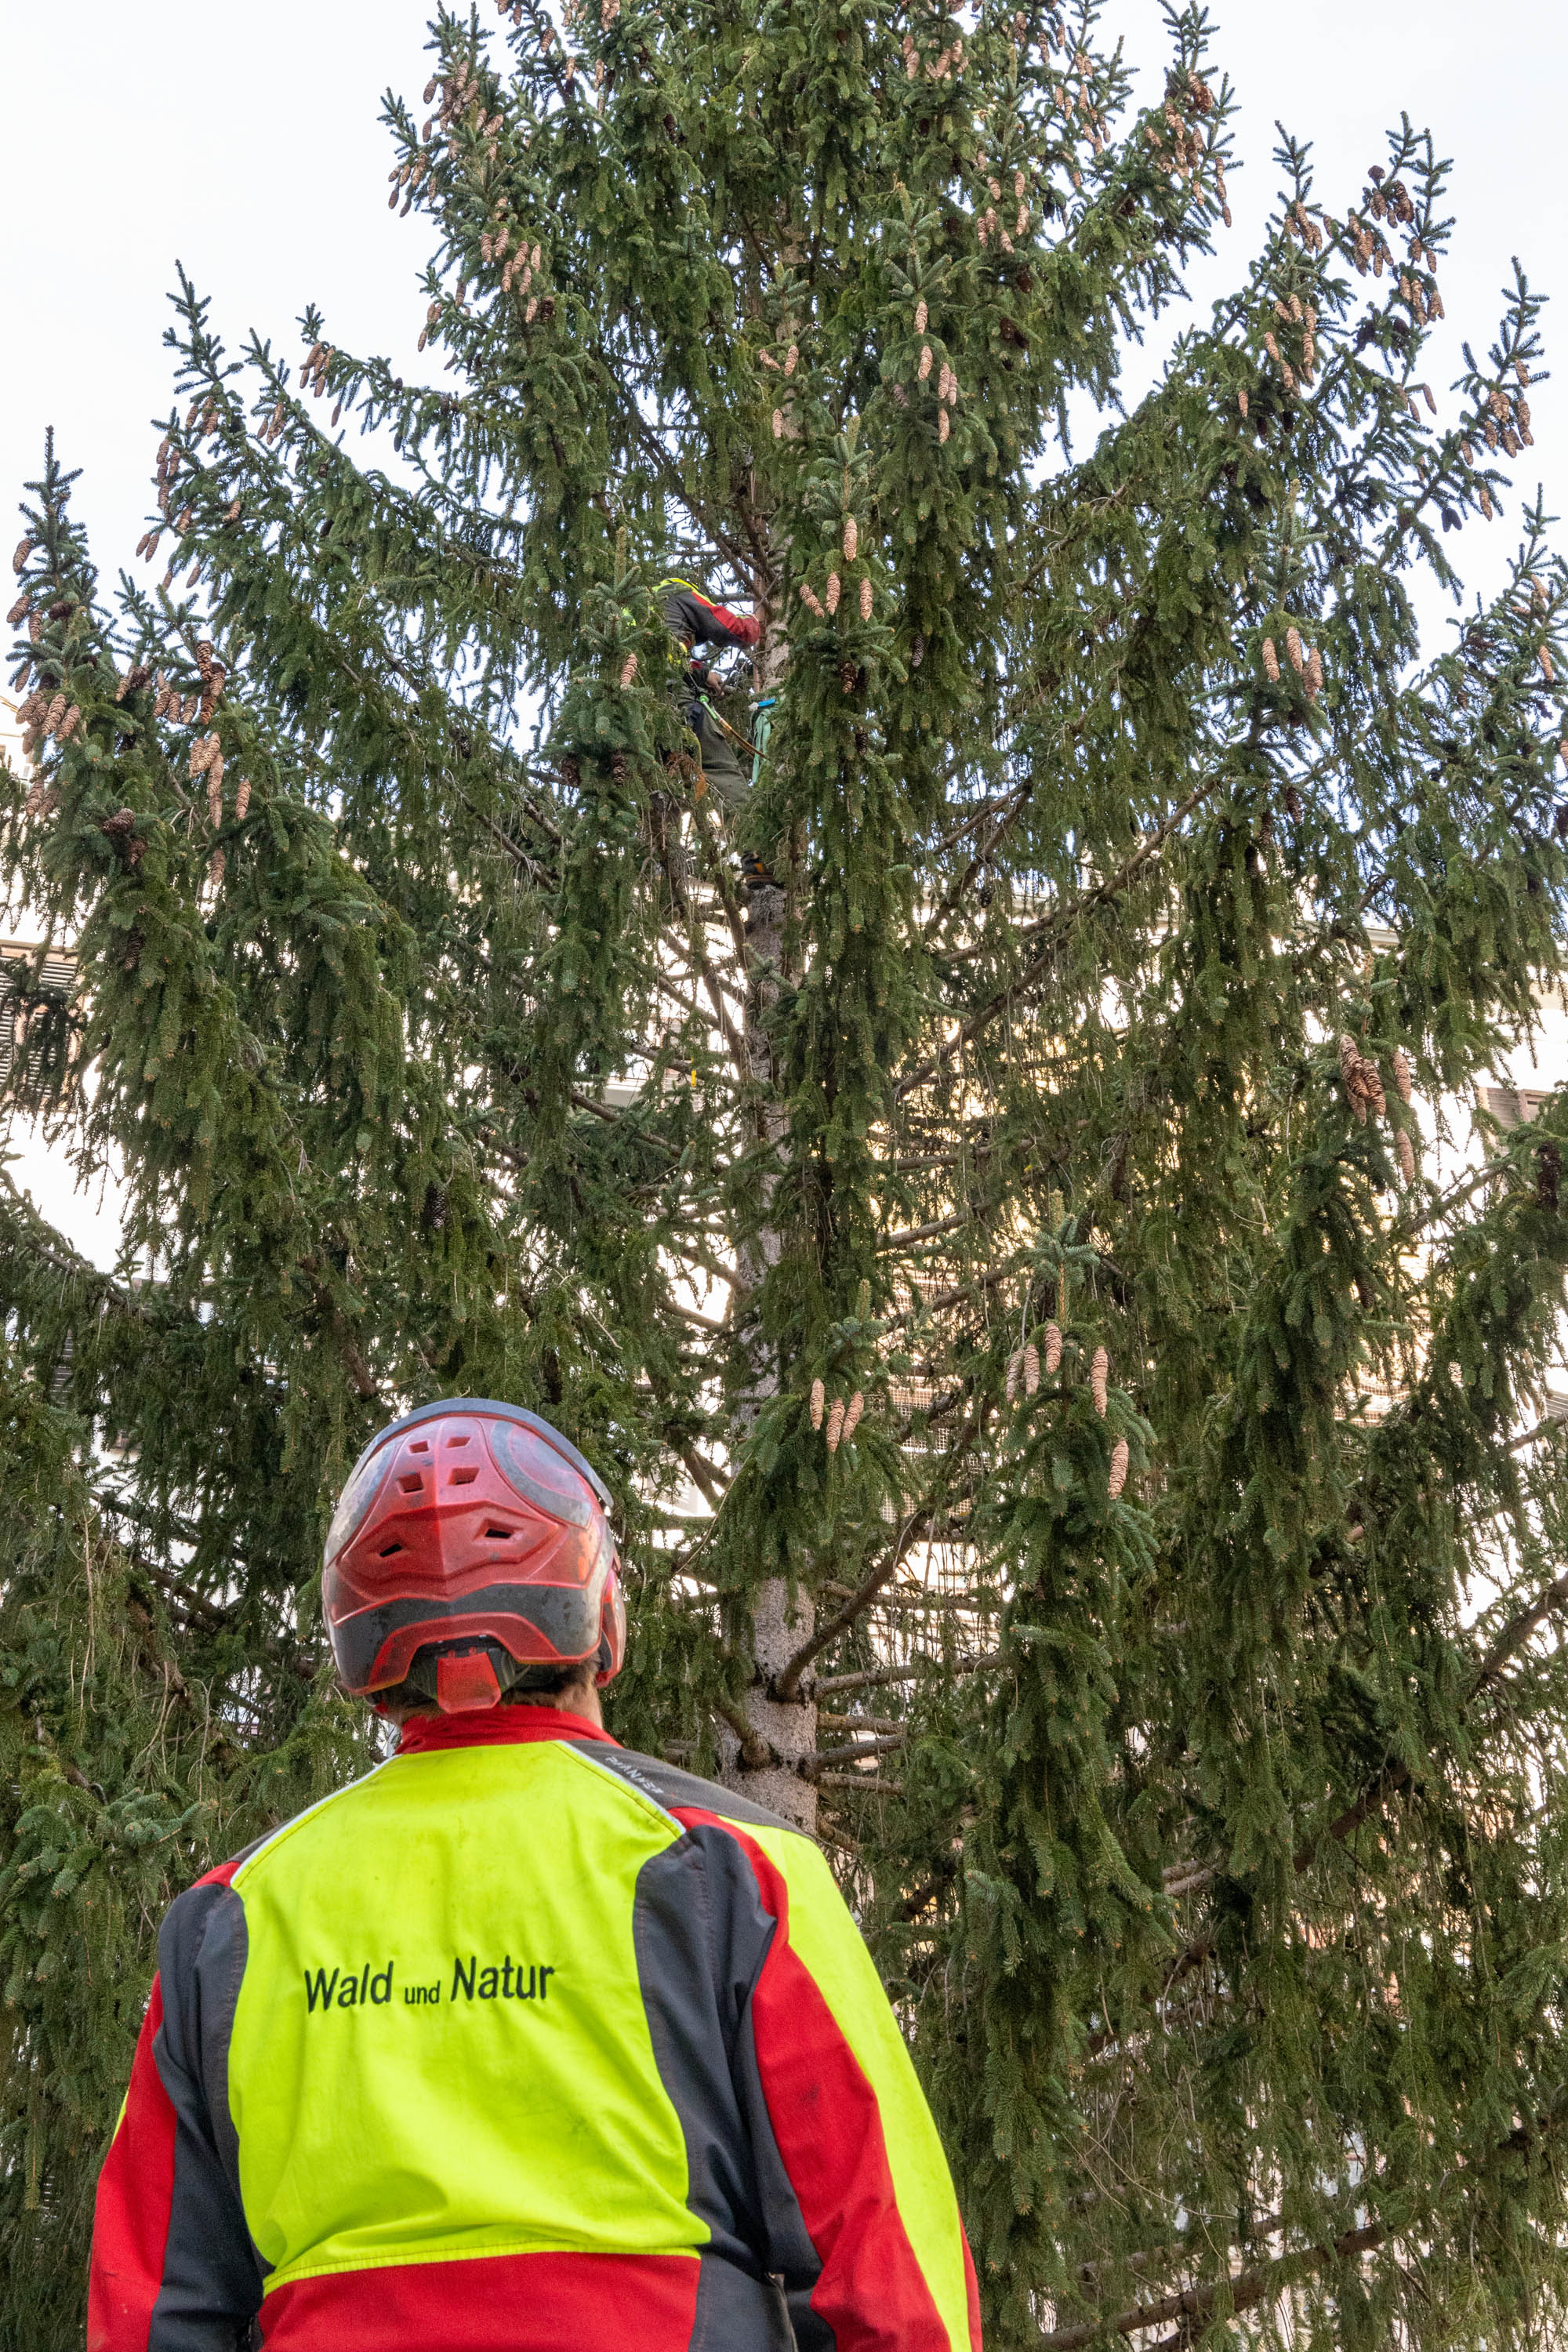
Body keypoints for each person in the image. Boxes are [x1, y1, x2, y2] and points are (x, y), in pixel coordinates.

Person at [87, 1396, 982, 2352]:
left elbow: (151, 2309)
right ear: (598, 1607)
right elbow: (895, 2279)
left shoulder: (232, 1917)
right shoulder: (734, 1866)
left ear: (359, 1630)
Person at [659, 579, 775, 887]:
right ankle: (759, 866)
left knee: (662, 796)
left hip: (644, 720)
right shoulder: (677, 590)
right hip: (680, 709)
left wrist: (702, 674)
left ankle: (664, 882)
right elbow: (730, 628)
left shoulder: (642, 615)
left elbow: (665, 659)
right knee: (723, 775)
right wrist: (757, 622)